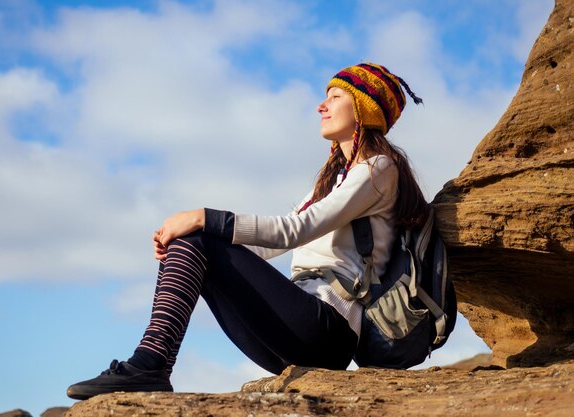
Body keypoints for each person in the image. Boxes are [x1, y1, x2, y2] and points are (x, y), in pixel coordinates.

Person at [66, 62, 429, 400]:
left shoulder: (378, 169)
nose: (322, 105)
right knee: (192, 244)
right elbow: (270, 249)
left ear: (365, 109)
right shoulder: (335, 177)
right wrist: (191, 256)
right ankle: (151, 364)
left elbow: (293, 231)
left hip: (329, 331)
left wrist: (206, 220)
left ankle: (149, 366)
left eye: (335, 97)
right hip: (293, 334)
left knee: (199, 235)